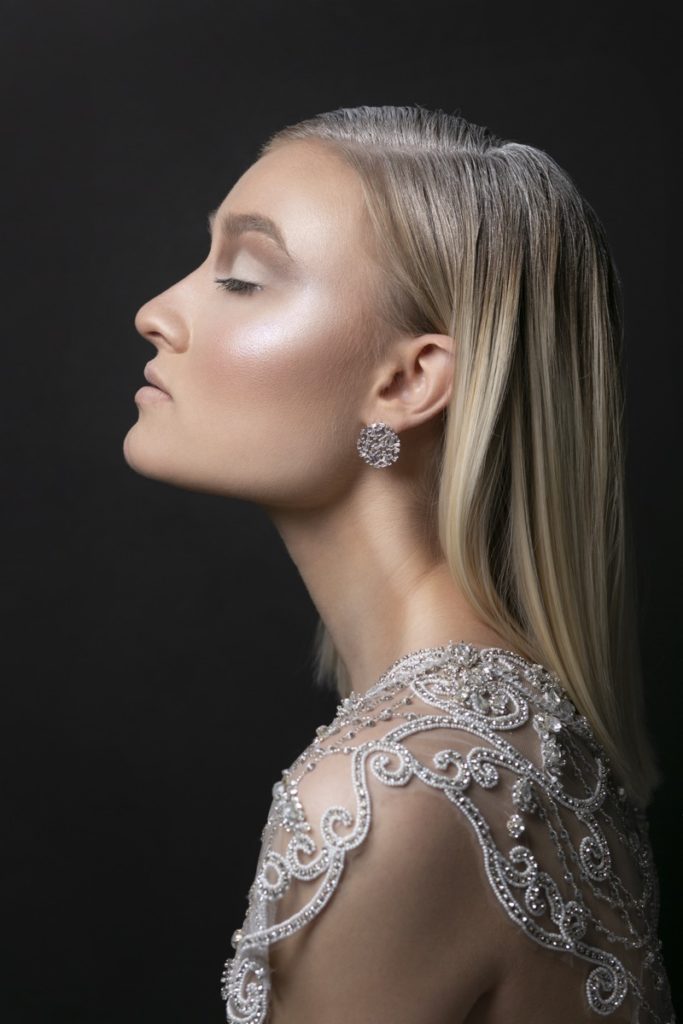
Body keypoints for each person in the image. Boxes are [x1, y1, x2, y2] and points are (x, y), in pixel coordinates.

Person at [123, 105, 675, 1023]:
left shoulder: (394, 791)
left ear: (409, 380)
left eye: (242, 279)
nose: (156, 313)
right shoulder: (511, 727)